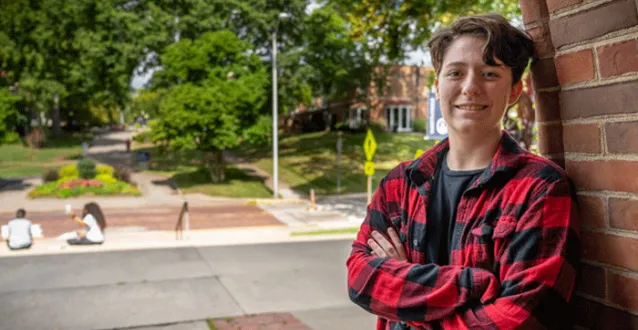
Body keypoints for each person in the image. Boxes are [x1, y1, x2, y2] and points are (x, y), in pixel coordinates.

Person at [347, 13, 580, 329]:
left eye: (489, 73)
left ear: (514, 91)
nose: (470, 87)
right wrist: (476, 283)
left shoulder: (541, 188)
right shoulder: (399, 184)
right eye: (456, 72)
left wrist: (406, 294)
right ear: (437, 85)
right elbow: (361, 278)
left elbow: (520, 319)